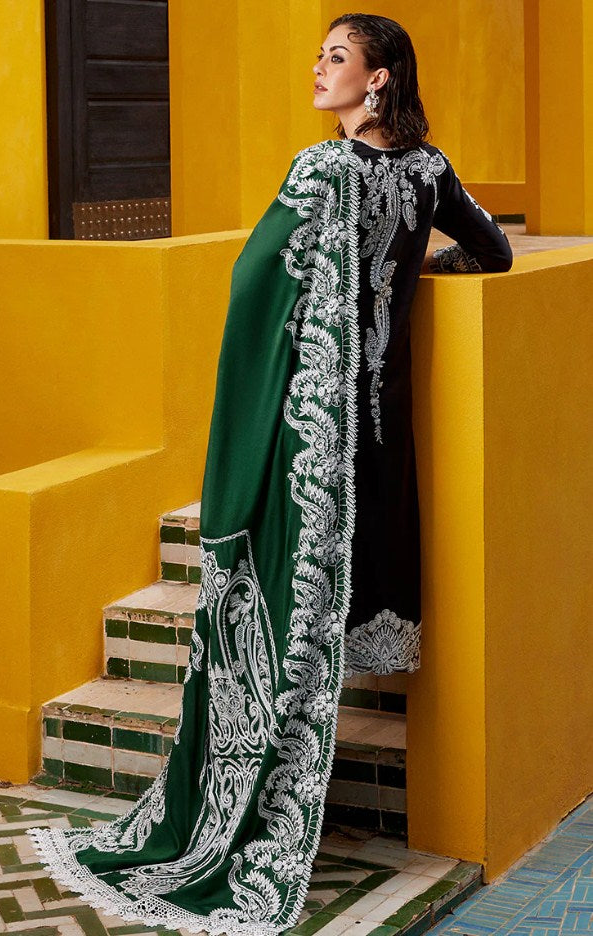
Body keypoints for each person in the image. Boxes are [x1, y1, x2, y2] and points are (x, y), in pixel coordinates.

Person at [26, 12, 513, 936]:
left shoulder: (320, 169)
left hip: (307, 439)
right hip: (379, 436)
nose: (318, 70)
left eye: (337, 58)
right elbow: (491, 249)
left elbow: (255, 285)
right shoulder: (428, 170)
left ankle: (235, 820)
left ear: (378, 78)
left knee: (275, 608)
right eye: (318, 55)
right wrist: (418, 276)